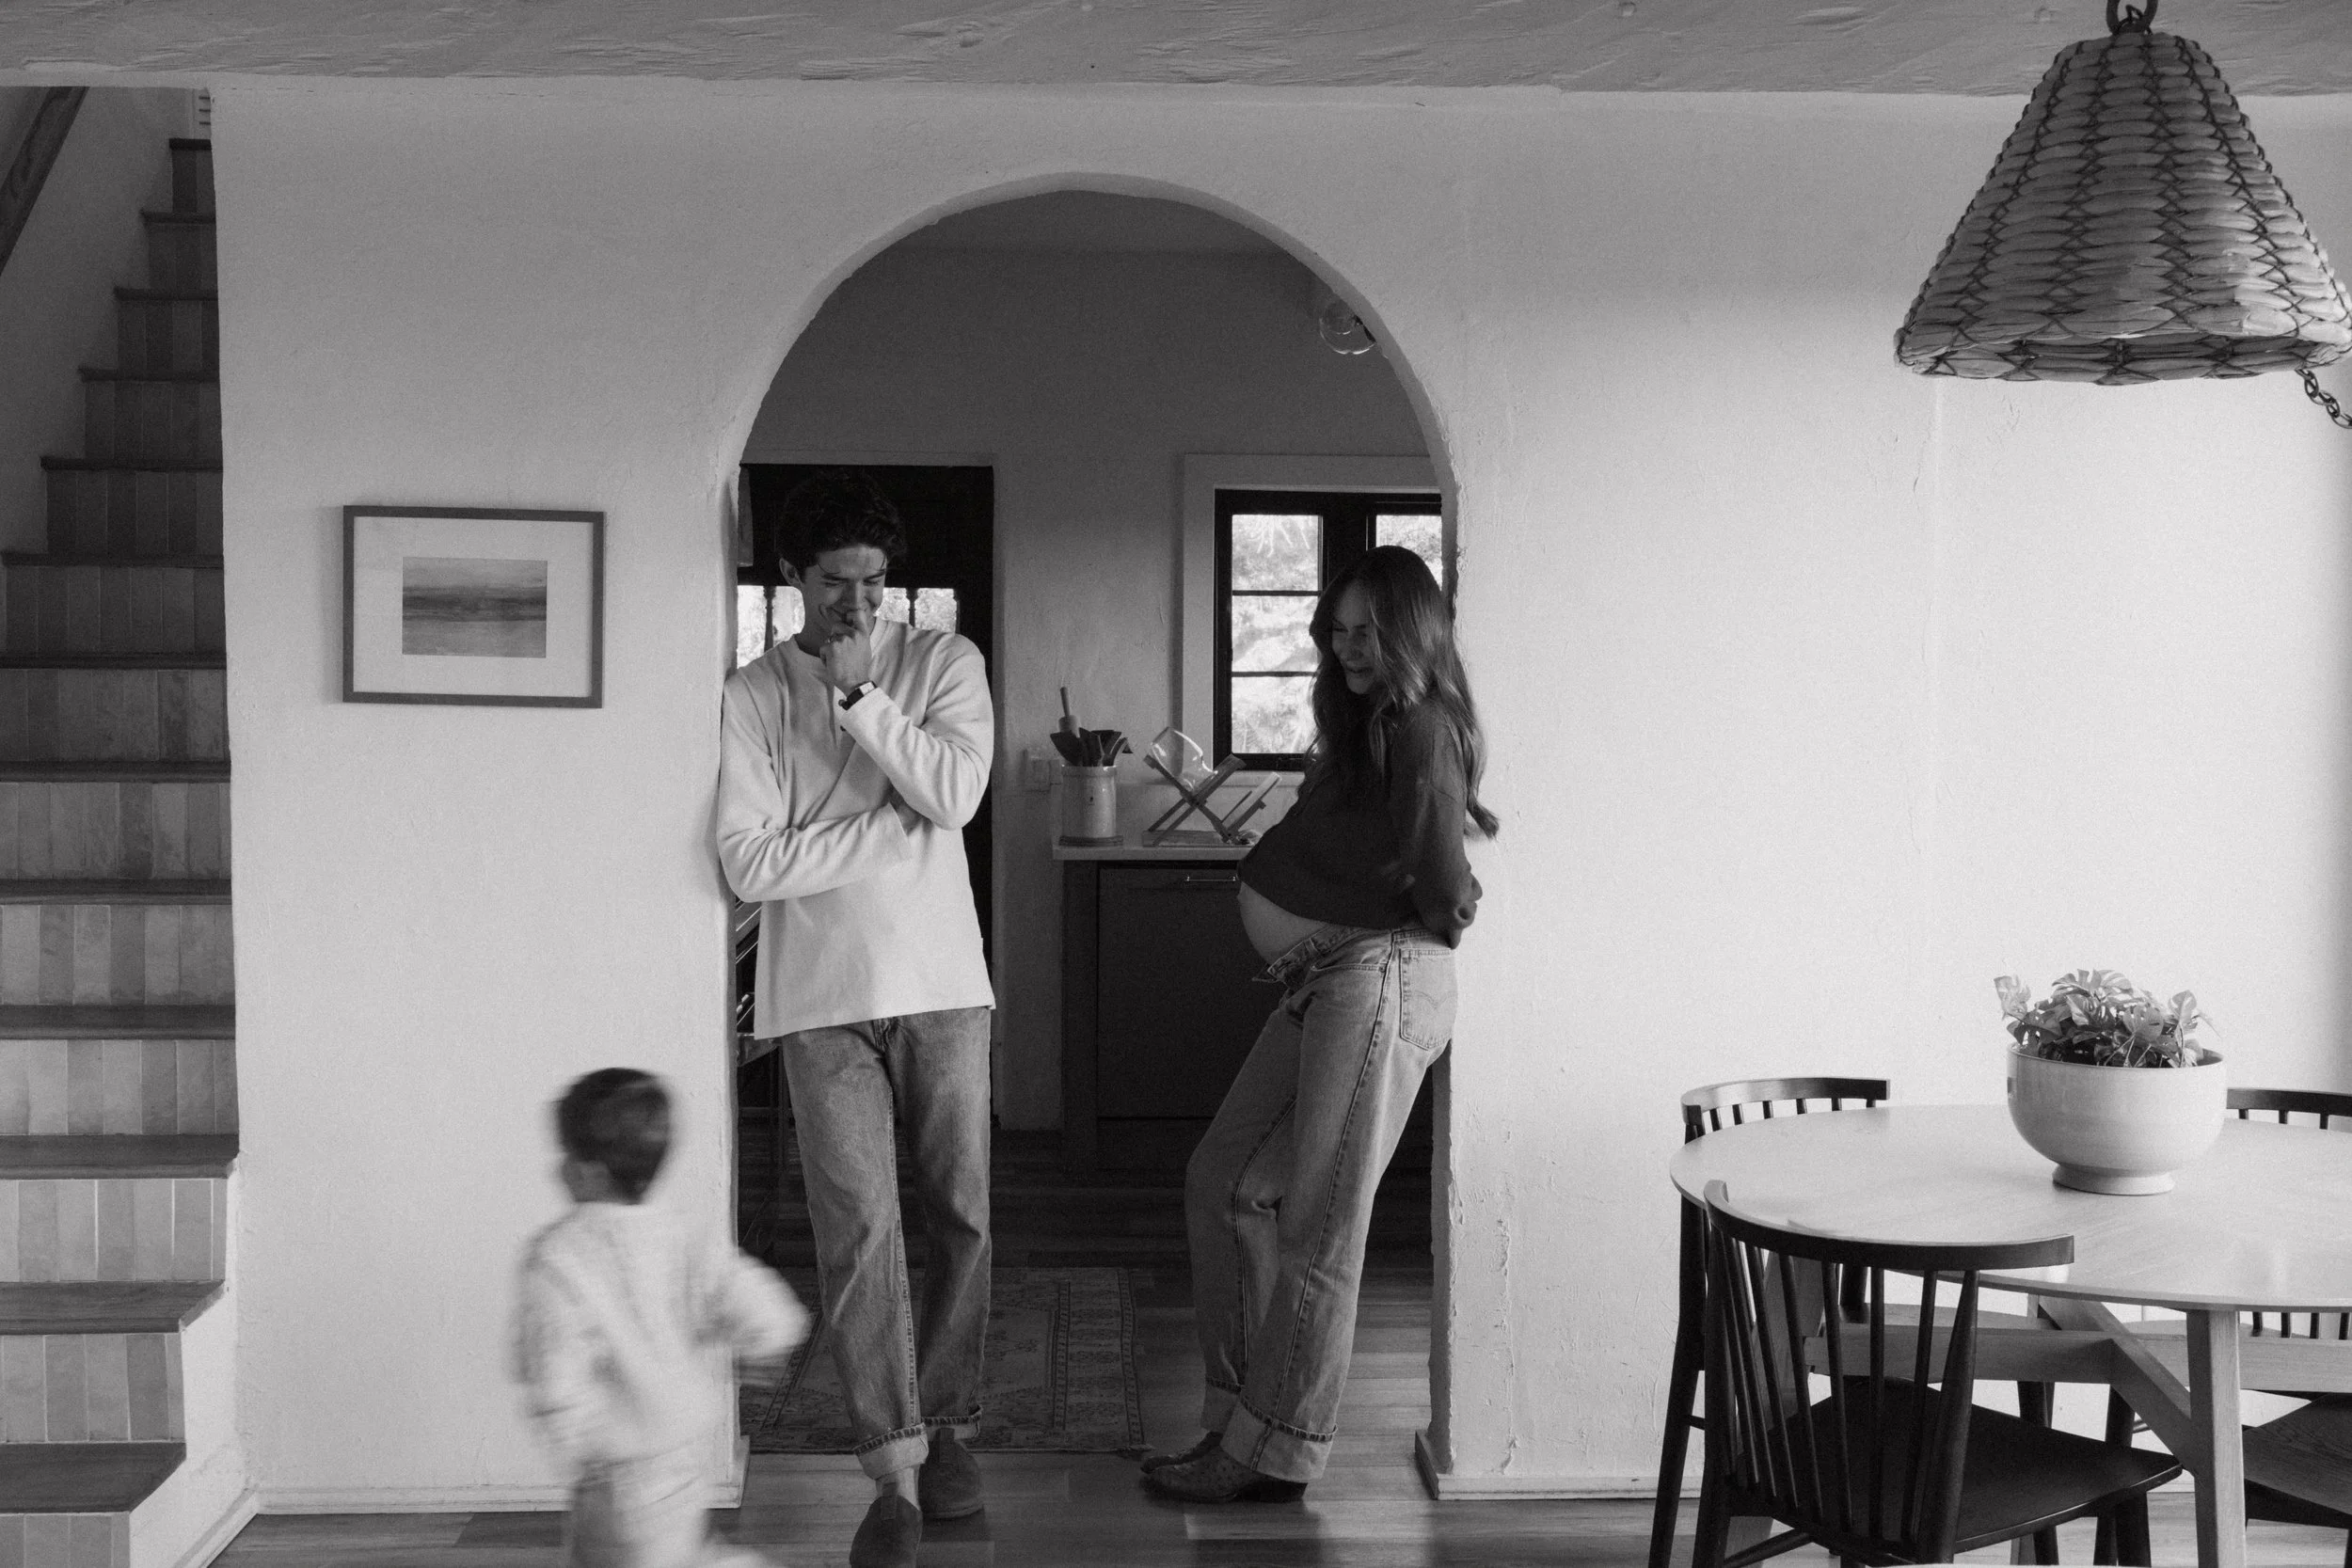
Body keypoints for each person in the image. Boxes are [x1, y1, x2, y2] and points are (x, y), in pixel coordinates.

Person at [1144, 545, 1498, 1503]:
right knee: (1223, 1178)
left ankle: (1274, 1447)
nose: (1346, 646)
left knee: (1320, 1222)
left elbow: (1441, 872)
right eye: (1336, 630)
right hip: (1330, 976)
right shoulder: (1371, 725)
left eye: (1365, 630)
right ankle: (1241, 1418)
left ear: (1409, 630)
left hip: (1377, 976)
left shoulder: (1422, 723)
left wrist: (1447, 908)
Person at [714, 470, 996, 1568]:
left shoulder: (943, 663)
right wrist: (890, 834)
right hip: (818, 999)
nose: (860, 603)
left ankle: (951, 1419)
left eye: (876, 581)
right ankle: (894, 1472)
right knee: (859, 1233)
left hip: (941, 984)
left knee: (960, 1213)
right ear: (794, 576)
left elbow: (954, 797)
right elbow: (749, 862)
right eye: (837, 581)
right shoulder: (750, 694)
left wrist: (861, 698)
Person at [513, 1068, 810, 1568]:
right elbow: (760, 1300)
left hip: (615, 1473)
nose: (558, 1168)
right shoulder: (683, 1236)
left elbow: (554, 1367)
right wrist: (765, 1341)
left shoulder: (559, 1259)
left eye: (565, 1155)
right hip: (687, 1458)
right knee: (675, 1553)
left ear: (589, 1173)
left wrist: (574, 1441)